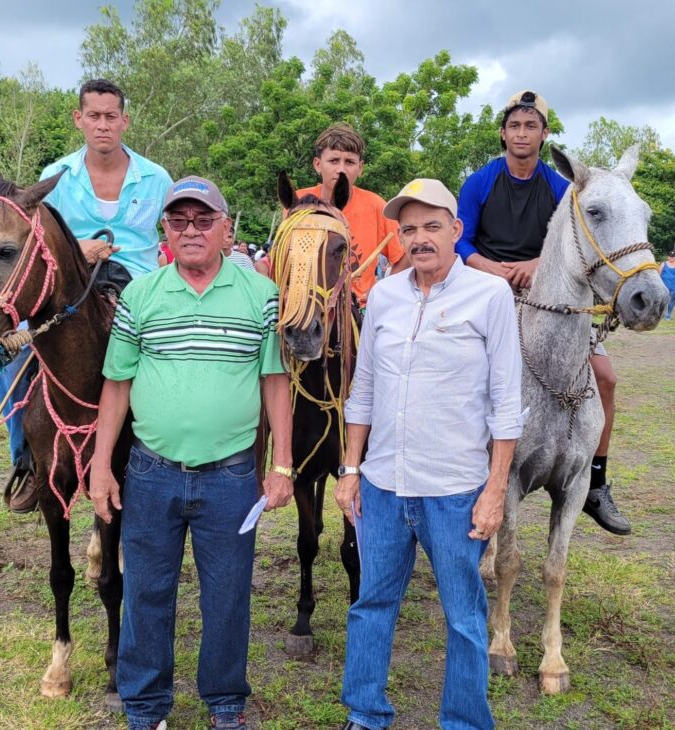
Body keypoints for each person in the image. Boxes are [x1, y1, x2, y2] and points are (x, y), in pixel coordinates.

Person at [90, 175, 294, 730]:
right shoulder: (141, 294)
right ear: (165, 231)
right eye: (179, 221)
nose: (192, 231)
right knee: (146, 593)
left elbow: (276, 381)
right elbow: (117, 385)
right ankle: (146, 708)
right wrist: (101, 465)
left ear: (227, 230)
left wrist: (280, 465)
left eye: (204, 220)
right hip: (152, 472)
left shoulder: (261, 296)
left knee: (227, 597)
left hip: (230, 477)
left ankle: (225, 705)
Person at [334, 179, 522, 730]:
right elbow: (362, 390)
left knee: (464, 617)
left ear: (456, 231)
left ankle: (464, 721)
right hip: (383, 486)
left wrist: (494, 491)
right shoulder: (385, 295)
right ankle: (365, 713)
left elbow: (507, 406)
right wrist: (350, 469)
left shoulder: (489, 296)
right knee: (371, 606)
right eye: (409, 229)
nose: (420, 239)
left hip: (456, 490)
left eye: (432, 227)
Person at [456, 89, 631, 536]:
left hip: (549, 293)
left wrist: (536, 265)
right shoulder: (479, 182)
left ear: (544, 133)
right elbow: (461, 241)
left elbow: (574, 237)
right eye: (514, 125)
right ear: (503, 132)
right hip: (487, 288)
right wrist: (493, 269)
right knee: (459, 370)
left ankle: (595, 482)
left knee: (606, 379)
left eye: (531, 125)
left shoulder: (560, 187)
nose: (522, 132)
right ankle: (461, 466)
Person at [0, 78, 173, 513]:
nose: (102, 125)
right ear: (79, 119)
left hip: (138, 285)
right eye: (93, 116)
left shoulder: (156, 178)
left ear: (124, 121)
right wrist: (78, 250)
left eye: (111, 117)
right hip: (67, 289)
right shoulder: (55, 177)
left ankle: (166, 452)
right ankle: (25, 458)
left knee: (170, 355)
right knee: (13, 352)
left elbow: (172, 232)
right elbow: (39, 241)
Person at [296, 123, 409, 308]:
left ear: (360, 168)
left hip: (357, 310)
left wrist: (381, 290)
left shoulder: (376, 206)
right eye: (333, 161)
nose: (341, 169)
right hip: (306, 308)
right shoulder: (300, 202)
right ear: (317, 164)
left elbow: (404, 256)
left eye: (349, 162)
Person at [660, 249, 675, 320]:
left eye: (673, 256)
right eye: (670, 256)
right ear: (668, 257)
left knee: (671, 301)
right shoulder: (663, 264)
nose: (671, 258)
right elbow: (659, 274)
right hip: (663, 286)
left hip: (673, 286)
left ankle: (668, 315)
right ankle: (661, 313)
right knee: (663, 300)